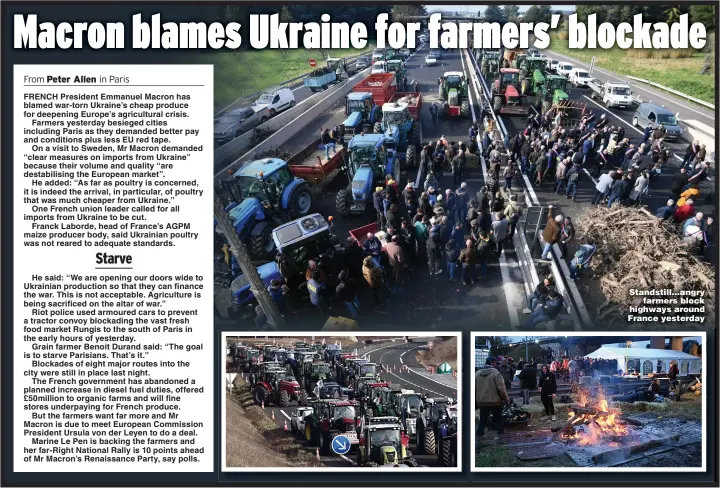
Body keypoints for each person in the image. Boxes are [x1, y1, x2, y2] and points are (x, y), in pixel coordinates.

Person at [475, 356, 509, 439]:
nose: (496, 364)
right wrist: (506, 399)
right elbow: (501, 388)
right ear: (492, 362)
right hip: (495, 401)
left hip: (481, 401)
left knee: (482, 420)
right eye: (495, 362)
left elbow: (473, 388)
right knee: (498, 420)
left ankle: (479, 437)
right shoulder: (496, 373)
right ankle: (501, 437)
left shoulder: (477, 373)